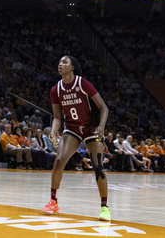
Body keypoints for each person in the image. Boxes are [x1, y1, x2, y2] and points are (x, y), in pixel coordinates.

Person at [41, 56, 111, 221]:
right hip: (72, 129)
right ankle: (53, 201)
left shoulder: (83, 84)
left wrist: (101, 127)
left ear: (72, 67)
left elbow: (104, 108)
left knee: (98, 166)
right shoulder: (55, 90)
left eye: (65, 62)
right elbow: (57, 117)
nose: (60, 64)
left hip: (91, 127)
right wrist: (54, 131)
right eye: (58, 62)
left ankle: (104, 207)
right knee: (59, 160)